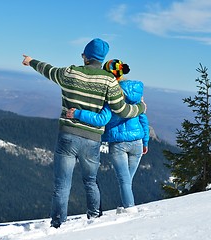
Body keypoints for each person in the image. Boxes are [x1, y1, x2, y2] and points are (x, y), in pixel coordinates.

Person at [21, 38, 146, 228]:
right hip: (92, 139)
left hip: (67, 137)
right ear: (101, 59)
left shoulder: (70, 72)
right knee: (90, 181)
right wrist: (140, 108)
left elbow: (48, 70)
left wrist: (30, 61)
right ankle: (94, 218)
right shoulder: (109, 80)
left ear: (85, 57)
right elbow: (122, 110)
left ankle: (57, 224)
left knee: (62, 185)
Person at [66, 59, 149, 213]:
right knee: (127, 181)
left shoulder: (112, 94)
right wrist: (145, 141)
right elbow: (143, 117)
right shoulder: (137, 94)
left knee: (124, 181)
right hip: (137, 142)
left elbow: (101, 119)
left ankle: (130, 211)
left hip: (118, 143)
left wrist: (77, 113)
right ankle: (124, 207)